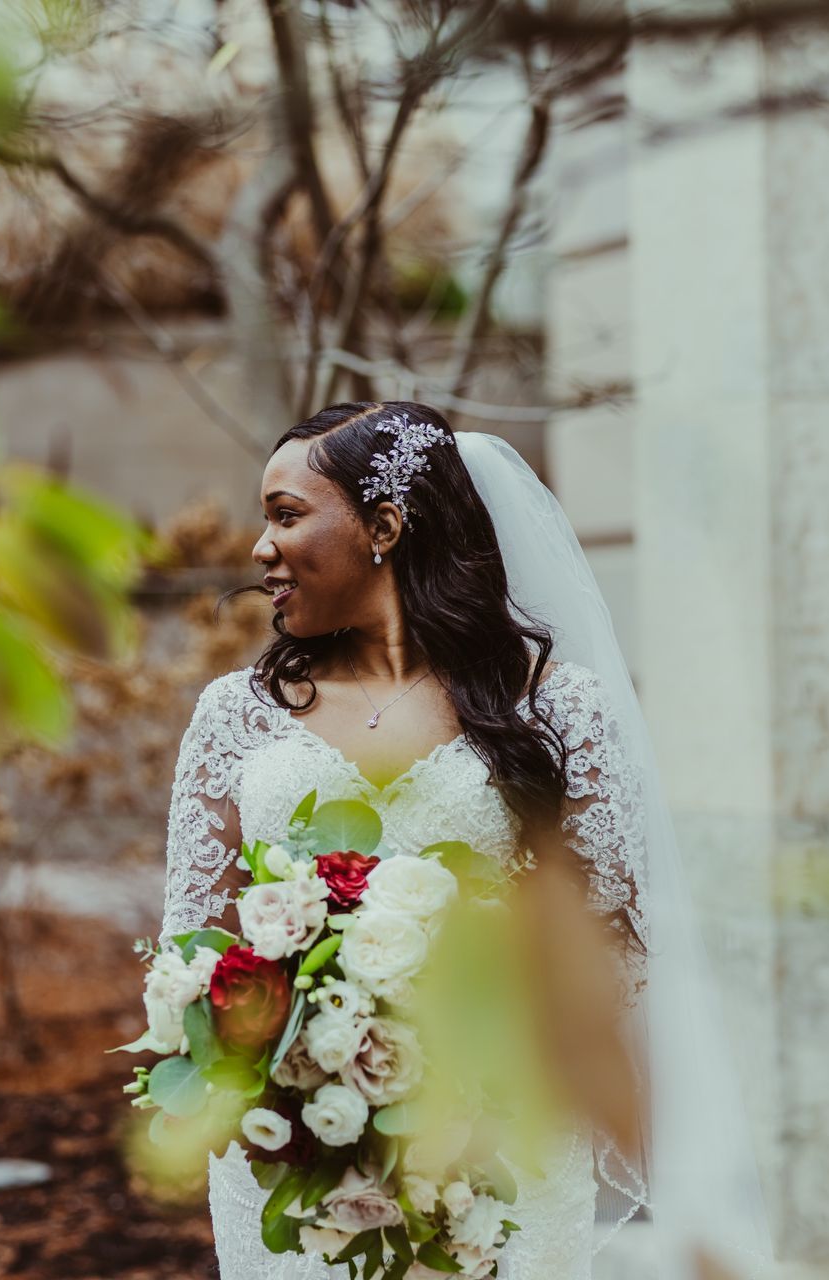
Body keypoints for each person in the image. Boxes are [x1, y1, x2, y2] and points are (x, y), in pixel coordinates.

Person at [159, 402, 773, 1279]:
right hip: (293, 1151)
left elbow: (609, 956)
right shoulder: (234, 718)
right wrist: (290, 1064)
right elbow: (197, 947)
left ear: (384, 526)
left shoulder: (559, 711)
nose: (261, 547)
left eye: (287, 515)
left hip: (504, 1145)